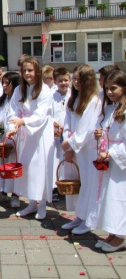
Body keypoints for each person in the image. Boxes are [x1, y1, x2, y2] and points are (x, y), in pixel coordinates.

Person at [6, 57, 54, 220]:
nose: (27, 73)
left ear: (38, 72)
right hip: (24, 133)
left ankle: (43, 204)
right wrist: (13, 128)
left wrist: (24, 121)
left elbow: (41, 115)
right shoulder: (20, 89)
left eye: (30, 70)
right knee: (27, 169)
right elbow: (13, 111)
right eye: (24, 70)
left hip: (39, 134)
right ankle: (32, 203)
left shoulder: (45, 90)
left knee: (40, 168)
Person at [87, 70, 126, 252]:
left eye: (114, 88)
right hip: (111, 162)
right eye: (107, 88)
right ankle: (113, 232)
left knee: (120, 198)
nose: (110, 92)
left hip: (121, 165)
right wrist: (100, 133)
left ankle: (121, 236)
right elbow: (110, 130)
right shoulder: (113, 107)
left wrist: (110, 152)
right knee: (111, 197)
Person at [61, 64, 101, 234]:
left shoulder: (93, 100)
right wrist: (67, 140)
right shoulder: (74, 98)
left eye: (79, 79)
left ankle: (88, 220)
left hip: (87, 148)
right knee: (78, 181)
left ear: (88, 81)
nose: (76, 82)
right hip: (75, 147)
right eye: (74, 79)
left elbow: (86, 127)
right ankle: (79, 215)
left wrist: (70, 143)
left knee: (88, 183)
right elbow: (67, 122)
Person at [0, 72, 21, 207]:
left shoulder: (20, 101)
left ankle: (15, 195)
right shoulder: (1, 100)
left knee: (13, 165)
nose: (3, 85)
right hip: (2, 137)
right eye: (3, 82)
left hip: (15, 137)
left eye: (7, 83)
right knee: (1, 164)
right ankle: (0, 193)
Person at [51, 67, 72, 204]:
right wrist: (53, 123)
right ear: (55, 81)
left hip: (69, 134)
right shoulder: (51, 96)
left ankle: (67, 187)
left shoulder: (73, 96)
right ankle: (55, 188)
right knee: (55, 161)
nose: (63, 83)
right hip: (55, 134)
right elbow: (48, 113)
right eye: (60, 81)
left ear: (70, 80)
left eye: (66, 80)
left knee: (68, 161)